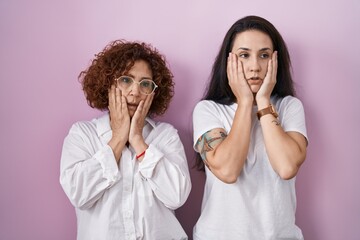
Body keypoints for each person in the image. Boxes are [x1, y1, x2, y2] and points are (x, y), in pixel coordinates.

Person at [60, 40, 191, 240]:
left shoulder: (166, 135)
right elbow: (79, 194)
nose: (135, 92)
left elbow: (177, 197)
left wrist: (138, 139)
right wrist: (119, 138)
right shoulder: (82, 134)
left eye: (145, 84)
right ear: (108, 84)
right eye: (126, 80)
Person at [192, 15, 308, 239]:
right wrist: (245, 102)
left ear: (275, 61)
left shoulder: (289, 107)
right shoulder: (208, 110)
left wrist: (263, 101)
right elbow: (228, 170)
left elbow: (286, 167)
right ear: (229, 61)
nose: (255, 66)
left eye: (264, 55)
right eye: (244, 55)